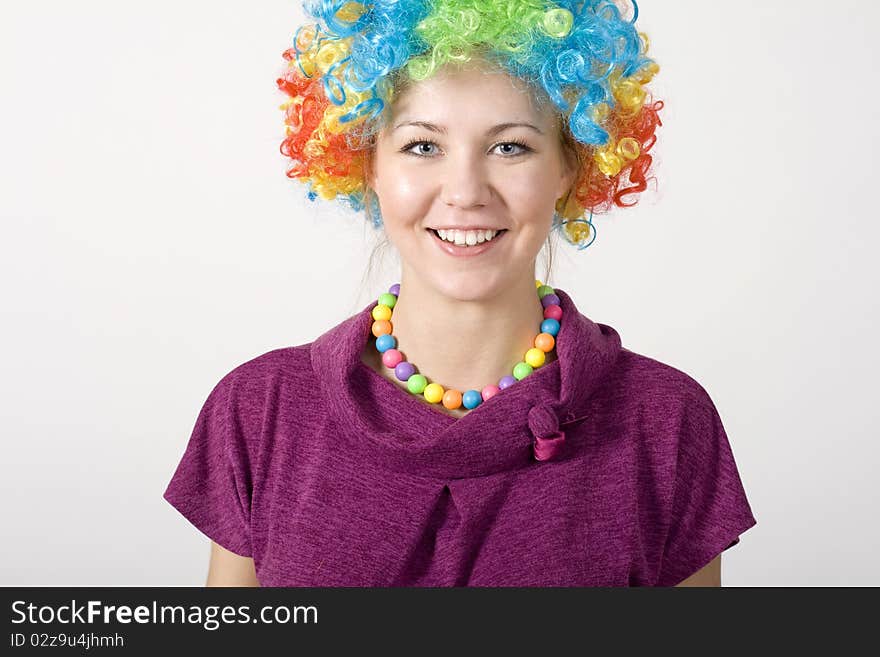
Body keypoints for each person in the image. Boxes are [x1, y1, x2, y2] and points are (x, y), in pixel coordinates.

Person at [163, 0, 757, 587]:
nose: (466, 191)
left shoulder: (666, 420)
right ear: (367, 163)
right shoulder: (261, 409)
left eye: (510, 146)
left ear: (569, 168)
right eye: (423, 146)